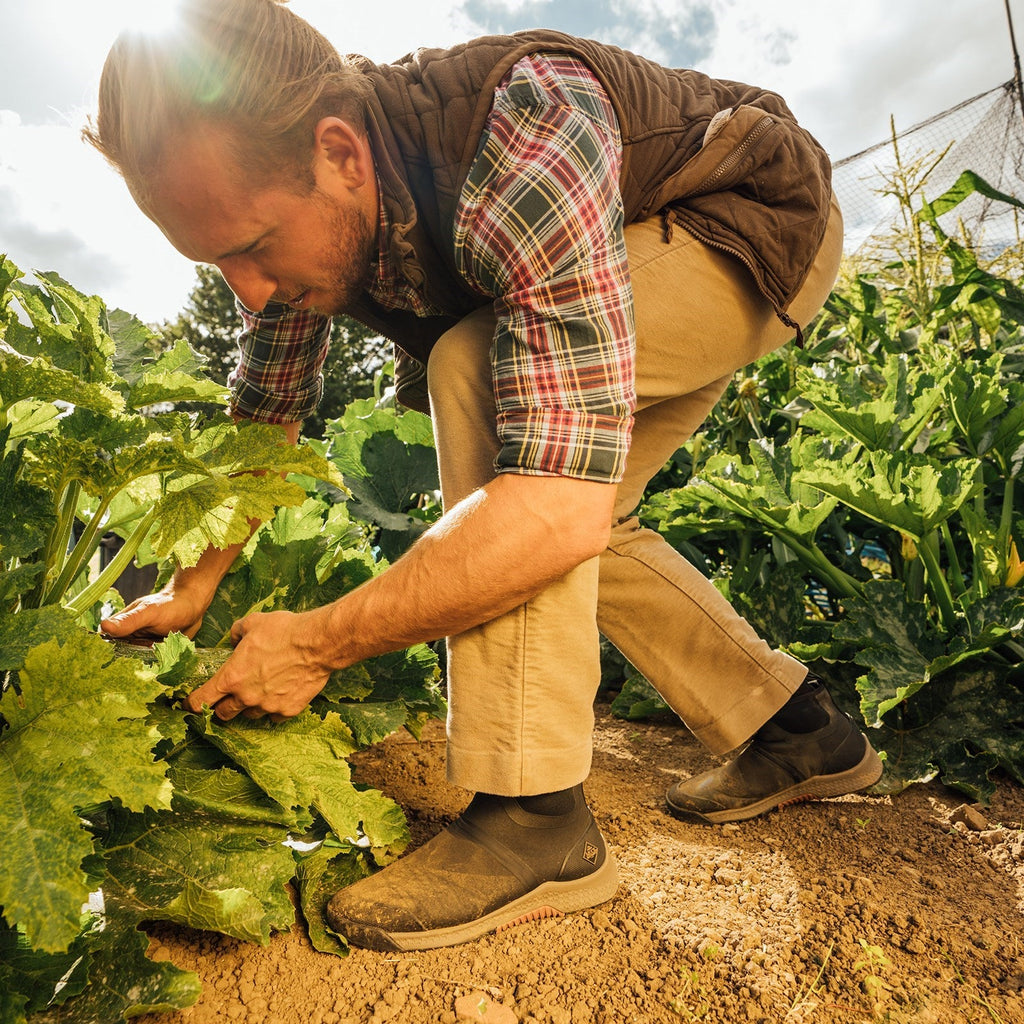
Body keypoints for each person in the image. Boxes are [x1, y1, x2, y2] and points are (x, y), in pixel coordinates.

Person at [90, 0, 882, 952]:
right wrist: (191, 586)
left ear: (340, 154)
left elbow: (546, 504)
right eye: (213, 258)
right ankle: (799, 730)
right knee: (583, 511)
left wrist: (316, 644)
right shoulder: (297, 212)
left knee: (485, 388)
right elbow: (266, 422)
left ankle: (533, 816)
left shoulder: (525, 128)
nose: (248, 291)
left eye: (253, 246)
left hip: (747, 224)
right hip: (641, 256)